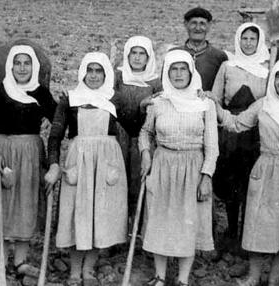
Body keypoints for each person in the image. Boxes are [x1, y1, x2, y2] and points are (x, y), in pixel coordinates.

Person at [210, 58, 279, 286]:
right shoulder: (263, 104)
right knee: (258, 223)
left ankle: (273, 278)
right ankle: (253, 276)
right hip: (267, 167)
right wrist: (214, 107)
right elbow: (236, 123)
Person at [44, 52, 129, 286]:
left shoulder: (116, 99)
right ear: (82, 72)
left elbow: (133, 125)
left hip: (106, 162)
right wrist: (53, 164)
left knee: (99, 215)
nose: (93, 76)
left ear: (106, 74)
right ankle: (74, 270)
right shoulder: (69, 99)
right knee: (77, 213)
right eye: (89, 71)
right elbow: (55, 136)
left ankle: (89, 269)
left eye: (98, 71)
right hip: (78, 161)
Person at [139, 49, 218, 286]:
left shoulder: (205, 104)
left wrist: (206, 176)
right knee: (160, 220)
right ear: (167, 72)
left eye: (183, 68)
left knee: (188, 223)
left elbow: (212, 146)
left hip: (193, 168)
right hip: (163, 165)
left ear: (191, 72)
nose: (178, 73)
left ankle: (183, 279)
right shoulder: (159, 102)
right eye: (173, 69)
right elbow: (146, 132)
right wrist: (145, 153)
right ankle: (160, 276)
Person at [0, 45, 56, 278]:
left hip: (32, 153)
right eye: (18, 63)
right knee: (3, 204)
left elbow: (59, 121)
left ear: (33, 67)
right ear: (10, 65)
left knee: (26, 203)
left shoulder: (41, 92)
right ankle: (1, 262)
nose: (22, 68)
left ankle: (21, 262)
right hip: (4, 152)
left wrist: (69, 106)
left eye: (27, 63)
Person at [211, 22, 269, 241]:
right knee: (230, 182)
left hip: (255, 133)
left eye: (253, 39)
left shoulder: (267, 69)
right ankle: (231, 231)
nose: (248, 43)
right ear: (238, 40)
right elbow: (216, 97)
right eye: (244, 38)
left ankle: (247, 234)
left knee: (249, 182)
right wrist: (223, 116)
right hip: (230, 131)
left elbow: (269, 100)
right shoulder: (228, 66)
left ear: (259, 41)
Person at [114, 35, 162, 219]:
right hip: (119, 135)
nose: (137, 57)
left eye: (142, 53)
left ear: (149, 57)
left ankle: (137, 229)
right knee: (118, 180)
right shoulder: (118, 76)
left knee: (138, 182)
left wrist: (143, 108)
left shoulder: (155, 82)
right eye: (133, 52)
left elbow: (157, 112)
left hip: (143, 138)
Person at [177, 7, 228, 91]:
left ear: (209, 26)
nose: (198, 28)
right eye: (193, 23)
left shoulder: (219, 56)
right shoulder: (175, 54)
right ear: (186, 24)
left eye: (202, 24)